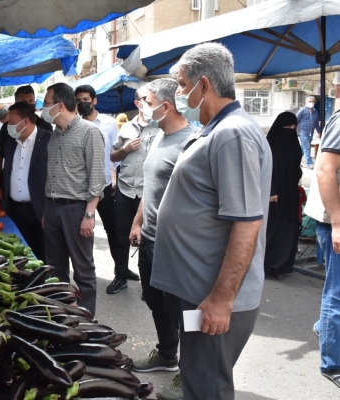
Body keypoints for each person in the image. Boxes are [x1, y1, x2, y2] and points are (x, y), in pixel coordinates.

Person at [151, 43, 272, 400]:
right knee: (197, 378)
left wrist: (221, 299)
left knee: (208, 388)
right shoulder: (215, 129)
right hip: (197, 291)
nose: (178, 92)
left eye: (182, 84)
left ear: (204, 85)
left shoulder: (232, 133)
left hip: (212, 297)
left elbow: (247, 223)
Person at [127, 79, 198, 398]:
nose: (139, 105)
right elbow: (150, 186)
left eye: (144, 100)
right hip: (150, 240)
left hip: (178, 246)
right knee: (156, 301)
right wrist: (138, 221)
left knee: (187, 310)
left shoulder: (193, 142)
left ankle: (194, 370)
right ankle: (168, 354)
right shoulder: (156, 137)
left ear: (165, 105)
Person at [43, 82, 106, 315]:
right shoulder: (54, 136)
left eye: (46, 103)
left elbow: (97, 178)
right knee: (55, 267)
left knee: (83, 269)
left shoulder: (90, 132)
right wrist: (47, 212)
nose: (43, 108)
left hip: (76, 209)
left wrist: (89, 214)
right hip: (52, 208)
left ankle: (86, 318)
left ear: (60, 106)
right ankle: (62, 313)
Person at [109, 86, 160, 293]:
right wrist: (125, 149)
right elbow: (113, 157)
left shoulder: (160, 128)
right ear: (137, 103)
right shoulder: (127, 128)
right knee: (121, 235)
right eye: (146, 100)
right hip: (126, 190)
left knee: (147, 238)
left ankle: (149, 284)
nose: (150, 104)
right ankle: (120, 275)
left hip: (149, 194)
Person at [304, 109, 340, 390]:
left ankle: (325, 330)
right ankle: (332, 363)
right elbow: (325, 169)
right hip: (334, 222)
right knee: (336, 294)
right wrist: (338, 223)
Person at [75, 84, 122, 287]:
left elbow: (115, 153)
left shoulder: (109, 123)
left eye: (85, 99)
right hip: (80, 189)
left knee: (114, 230)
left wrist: (117, 179)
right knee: (84, 232)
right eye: (78, 100)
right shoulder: (73, 124)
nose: (81, 104)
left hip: (104, 186)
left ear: (94, 101)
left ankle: (120, 272)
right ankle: (87, 276)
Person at [1, 102, 51, 261]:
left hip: (39, 212)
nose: (8, 125)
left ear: (26, 121)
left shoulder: (49, 140)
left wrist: (49, 211)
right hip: (15, 209)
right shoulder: (10, 141)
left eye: (12, 122)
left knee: (42, 255)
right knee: (19, 255)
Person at [0, 85, 53, 201]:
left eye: (31, 101)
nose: (28, 104)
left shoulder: (45, 127)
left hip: (39, 200)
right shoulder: (8, 130)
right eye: (24, 101)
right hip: (12, 200)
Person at [264, 112, 303, 280]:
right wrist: (271, 190)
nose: (291, 131)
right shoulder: (269, 145)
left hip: (290, 194)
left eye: (294, 128)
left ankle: (280, 265)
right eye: (287, 127)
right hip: (274, 195)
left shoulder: (295, 145)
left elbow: (296, 168)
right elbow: (263, 169)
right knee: (272, 230)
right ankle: (266, 264)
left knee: (288, 230)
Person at [296, 95, 321, 169]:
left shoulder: (315, 111)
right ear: (306, 102)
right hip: (303, 132)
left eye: (313, 102)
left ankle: (295, 161)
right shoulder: (302, 110)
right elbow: (296, 120)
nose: (311, 103)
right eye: (310, 101)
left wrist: (319, 132)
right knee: (307, 148)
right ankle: (309, 163)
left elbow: (316, 123)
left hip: (311, 133)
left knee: (303, 149)